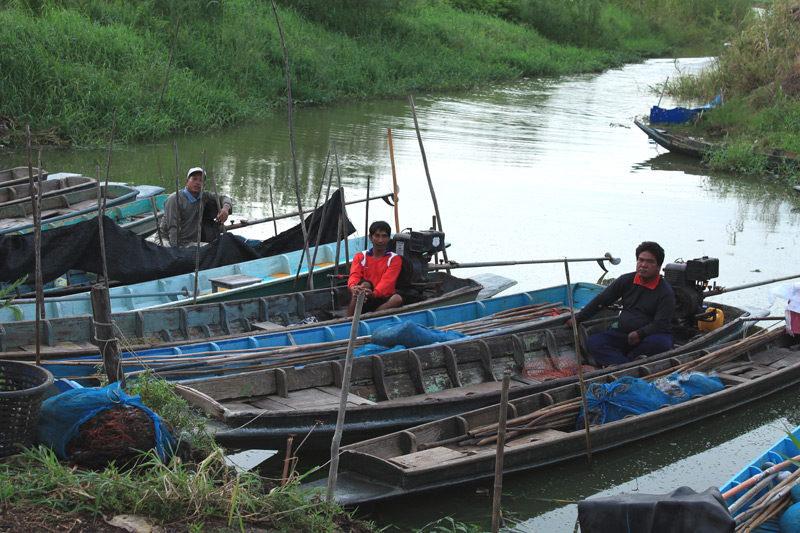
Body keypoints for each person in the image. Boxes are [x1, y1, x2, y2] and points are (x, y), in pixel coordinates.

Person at [567, 241, 675, 367]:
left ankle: (622, 362)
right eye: (641, 260)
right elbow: (602, 300)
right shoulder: (626, 280)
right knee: (594, 342)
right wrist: (578, 318)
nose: (644, 265)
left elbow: (661, 323)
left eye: (650, 262)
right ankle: (627, 364)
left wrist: (640, 334)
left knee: (660, 344)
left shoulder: (665, 291)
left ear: (658, 266)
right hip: (624, 335)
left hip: (651, 336)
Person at [160, 167, 233, 248]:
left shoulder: (204, 196)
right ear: (187, 181)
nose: (198, 183)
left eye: (201, 180)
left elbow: (225, 198)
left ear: (204, 185)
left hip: (190, 242)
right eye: (194, 179)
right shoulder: (174, 199)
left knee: (214, 249)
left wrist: (225, 209)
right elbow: (173, 229)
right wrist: (176, 252)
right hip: (168, 240)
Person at [347, 221, 404, 317]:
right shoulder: (360, 256)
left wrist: (374, 294)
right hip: (363, 296)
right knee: (363, 286)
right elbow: (354, 275)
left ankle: (372, 316)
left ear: (388, 239)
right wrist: (353, 287)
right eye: (377, 236)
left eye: (384, 236)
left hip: (382, 297)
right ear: (370, 237)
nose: (380, 240)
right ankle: (348, 319)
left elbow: (387, 282)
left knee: (397, 299)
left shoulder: (394, 259)